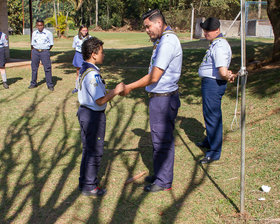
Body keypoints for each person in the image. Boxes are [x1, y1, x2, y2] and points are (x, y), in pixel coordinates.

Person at [120, 9, 182, 193]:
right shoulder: (162, 40)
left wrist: (130, 86)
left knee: (162, 141)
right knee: (157, 138)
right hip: (160, 98)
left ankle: (163, 181)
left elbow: (154, 76)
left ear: (159, 23)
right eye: (145, 27)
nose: (147, 30)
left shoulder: (168, 42)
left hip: (164, 99)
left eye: (148, 26)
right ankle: (159, 174)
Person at [77, 37, 124, 196]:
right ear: (93, 54)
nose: (104, 54)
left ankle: (84, 181)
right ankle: (90, 185)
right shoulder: (92, 75)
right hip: (93, 116)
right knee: (95, 151)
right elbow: (100, 100)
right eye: (102, 52)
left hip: (85, 113)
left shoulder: (85, 69)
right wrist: (115, 91)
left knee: (88, 149)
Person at [196, 17, 236, 164]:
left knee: (213, 116)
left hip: (213, 84)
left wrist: (228, 76)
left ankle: (214, 152)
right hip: (210, 82)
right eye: (204, 30)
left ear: (217, 30)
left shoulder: (219, 46)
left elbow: (222, 71)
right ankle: (209, 141)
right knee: (209, 114)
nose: (205, 32)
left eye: (208, 30)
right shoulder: (216, 43)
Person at [28, 19, 54, 91]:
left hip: (44, 52)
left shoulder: (48, 33)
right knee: (34, 68)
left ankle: (50, 84)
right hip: (35, 51)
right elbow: (32, 44)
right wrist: (33, 52)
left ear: (43, 25)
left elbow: (51, 44)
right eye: (38, 25)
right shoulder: (34, 33)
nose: (40, 27)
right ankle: (33, 83)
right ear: (36, 26)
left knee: (47, 68)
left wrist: (45, 50)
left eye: (41, 25)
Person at [72, 25, 90, 94]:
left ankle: (86, 87)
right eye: (83, 30)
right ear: (80, 31)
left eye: (86, 30)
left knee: (87, 71)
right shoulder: (76, 38)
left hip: (86, 55)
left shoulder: (89, 38)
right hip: (78, 55)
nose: (85, 32)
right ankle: (77, 87)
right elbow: (74, 46)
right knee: (78, 72)